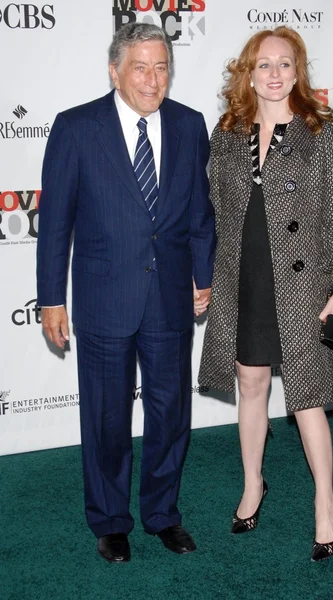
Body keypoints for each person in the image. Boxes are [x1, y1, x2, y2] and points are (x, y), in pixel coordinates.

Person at [37, 22, 215, 563]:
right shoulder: (76, 128)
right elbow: (55, 224)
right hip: (103, 300)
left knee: (169, 414)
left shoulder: (189, 124)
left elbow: (201, 214)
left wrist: (202, 275)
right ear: (115, 70)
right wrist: (50, 298)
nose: (152, 78)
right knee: (106, 418)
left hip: (168, 298)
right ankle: (111, 521)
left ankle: (163, 514)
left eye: (161, 66)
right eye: (140, 66)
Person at [199, 26, 333, 562]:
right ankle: (253, 483)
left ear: (299, 73)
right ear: (248, 72)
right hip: (243, 273)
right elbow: (210, 211)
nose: (274, 75)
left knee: (307, 399)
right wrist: (201, 276)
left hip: (301, 280)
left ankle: (326, 503)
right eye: (264, 65)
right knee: (250, 383)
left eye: (285, 65)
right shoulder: (226, 133)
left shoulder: (322, 132)